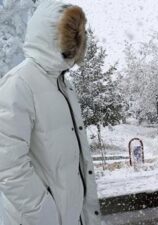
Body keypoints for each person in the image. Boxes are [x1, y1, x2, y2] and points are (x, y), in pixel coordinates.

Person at [0, 1, 101, 225]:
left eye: (77, 36)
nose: (75, 42)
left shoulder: (63, 84)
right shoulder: (19, 85)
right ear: (48, 36)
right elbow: (8, 166)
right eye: (70, 35)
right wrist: (46, 216)